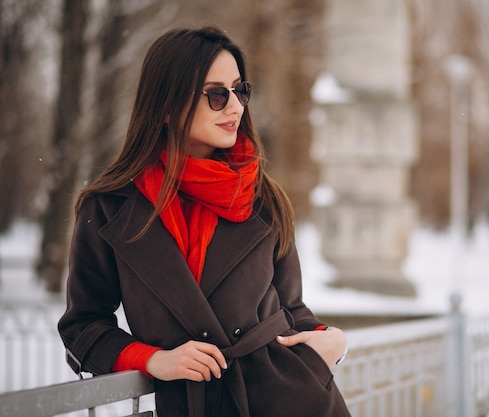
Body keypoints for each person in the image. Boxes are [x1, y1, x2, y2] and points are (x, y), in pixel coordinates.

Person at [58, 26, 351, 417]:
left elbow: (290, 308)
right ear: (166, 104)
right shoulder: (110, 207)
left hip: (288, 398)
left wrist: (331, 341)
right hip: (190, 403)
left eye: (239, 90)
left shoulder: (265, 199)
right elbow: (83, 325)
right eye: (217, 94)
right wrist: (152, 360)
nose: (235, 107)